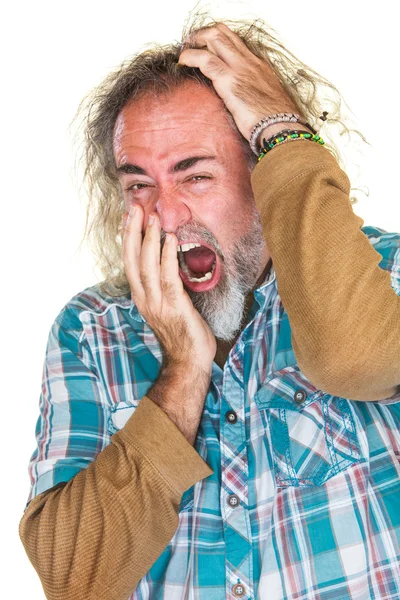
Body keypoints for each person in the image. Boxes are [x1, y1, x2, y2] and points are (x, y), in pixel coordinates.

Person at [19, 16, 400, 600]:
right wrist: (183, 366)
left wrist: (284, 133)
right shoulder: (92, 330)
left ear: (261, 171)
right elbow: (75, 580)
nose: (166, 217)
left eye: (194, 175)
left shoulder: (384, 273)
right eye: (138, 184)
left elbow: (359, 360)